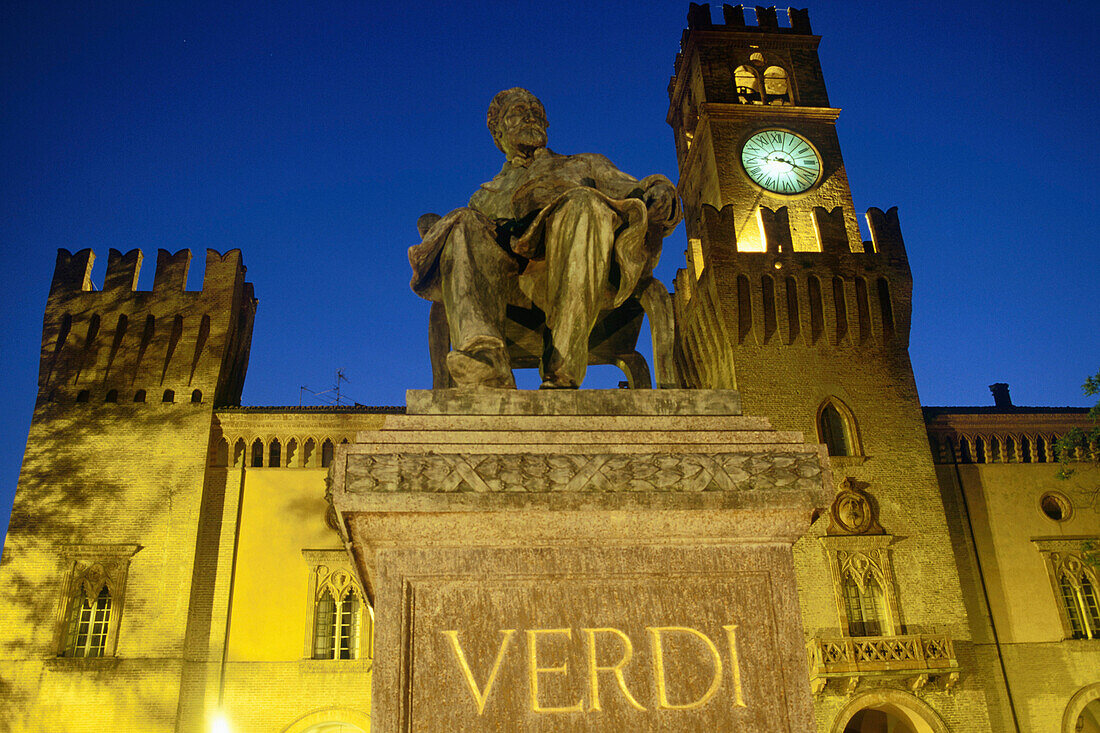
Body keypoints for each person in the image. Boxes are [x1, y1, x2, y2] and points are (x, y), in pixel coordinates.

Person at [409, 88, 681, 389]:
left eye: (536, 112)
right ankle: (485, 357)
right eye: (518, 112)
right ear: (498, 133)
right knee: (460, 220)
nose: (530, 116)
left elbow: (637, 188)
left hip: (584, 268)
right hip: (513, 287)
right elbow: (476, 257)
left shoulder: (584, 164)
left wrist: (660, 189)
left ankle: (562, 365)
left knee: (583, 202)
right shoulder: (484, 195)